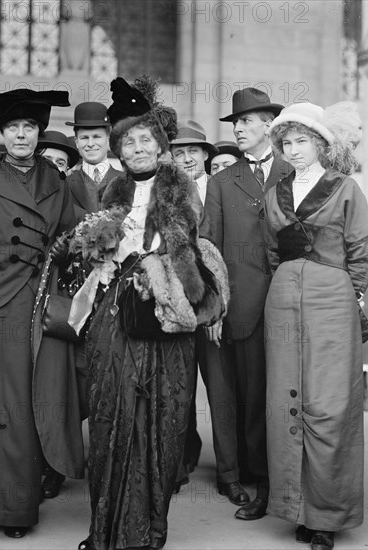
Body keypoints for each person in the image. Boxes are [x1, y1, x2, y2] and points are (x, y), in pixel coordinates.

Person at [71, 76, 228, 550]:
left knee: (161, 417)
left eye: (145, 139)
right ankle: (106, 530)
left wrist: (150, 268)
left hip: (162, 310)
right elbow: (99, 248)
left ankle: (146, 530)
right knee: (109, 413)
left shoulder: (177, 184)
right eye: (128, 141)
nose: (137, 147)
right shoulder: (113, 189)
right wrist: (95, 250)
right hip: (114, 312)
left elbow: (181, 245)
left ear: (160, 145)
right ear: (118, 149)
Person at [0, 89, 81, 538]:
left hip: (34, 301)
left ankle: (13, 510)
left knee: (19, 403)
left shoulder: (57, 183)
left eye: (29, 128)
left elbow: (73, 243)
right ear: (2, 133)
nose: (21, 134)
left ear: (38, 134)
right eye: (13, 127)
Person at [263, 102, 368, 550]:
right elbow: (271, 250)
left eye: (301, 140)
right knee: (286, 399)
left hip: (332, 301)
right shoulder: (275, 193)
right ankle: (296, 508)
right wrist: (287, 283)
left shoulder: (345, 188)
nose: (293, 149)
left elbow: (361, 248)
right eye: (286, 143)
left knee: (328, 403)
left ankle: (326, 515)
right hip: (284, 298)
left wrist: (354, 294)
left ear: (321, 143)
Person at [203, 87, 293, 520]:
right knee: (243, 394)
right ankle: (250, 479)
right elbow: (209, 247)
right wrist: (216, 304)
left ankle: (280, 478)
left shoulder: (295, 172)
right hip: (238, 307)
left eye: (246, 121)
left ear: (268, 127)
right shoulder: (222, 181)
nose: (239, 128)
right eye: (235, 123)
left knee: (279, 393)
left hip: (287, 303)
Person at [169, 120, 218, 492]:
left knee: (219, 386)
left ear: (205, 155)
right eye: (179, 152)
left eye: (193, 152)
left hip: (214, 302)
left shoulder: (219, 188)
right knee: (178, 383)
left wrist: (220, 306)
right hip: (178, 301)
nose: (186, 158)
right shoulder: (167, 192)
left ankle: (232, 468)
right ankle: (181, 458)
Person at [36, 129, 84, 500]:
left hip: (53, 301)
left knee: (53, 387)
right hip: (11, 300)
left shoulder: (72, 206)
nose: (54, 167)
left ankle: (52, 466)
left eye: (61, 163)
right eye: (48, 159)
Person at [66, 102, 123, 215]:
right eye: (84, 138)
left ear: (108, 139)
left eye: (96, 137)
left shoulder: (128, 182)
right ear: (76, 142)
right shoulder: (65, 185)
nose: (90, 143)